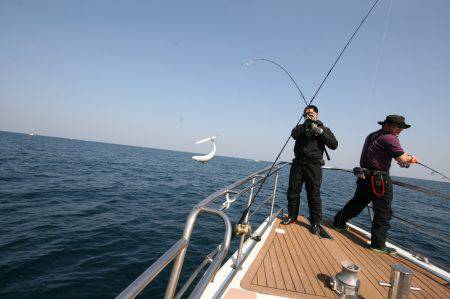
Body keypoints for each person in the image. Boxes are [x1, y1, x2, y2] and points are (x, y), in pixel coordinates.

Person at [333, 115, 419, 254]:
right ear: (388, 125)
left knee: (357, 203)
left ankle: (338, 222)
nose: (401, 130)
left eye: (402, 127)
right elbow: (401, 158)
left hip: (364, 177)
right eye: (398, 126)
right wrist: (412, 158)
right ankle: (378, 245)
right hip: (379, 180)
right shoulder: (390, 138)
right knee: (383, 211)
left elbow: (379, 154)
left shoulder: (372, 135)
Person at [281, 105, 338, 235]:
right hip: (298, 164)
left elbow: (334, 145)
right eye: (306, 114)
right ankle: (292, 216)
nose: (309, 115)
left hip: (314, 166)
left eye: (311, 113)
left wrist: (321, 132)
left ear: (317, 115)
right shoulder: (300, 128)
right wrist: (306, 124)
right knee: (293, 191)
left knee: (314, 194)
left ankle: (315, 222)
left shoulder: (324, 129)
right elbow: (294, 135)